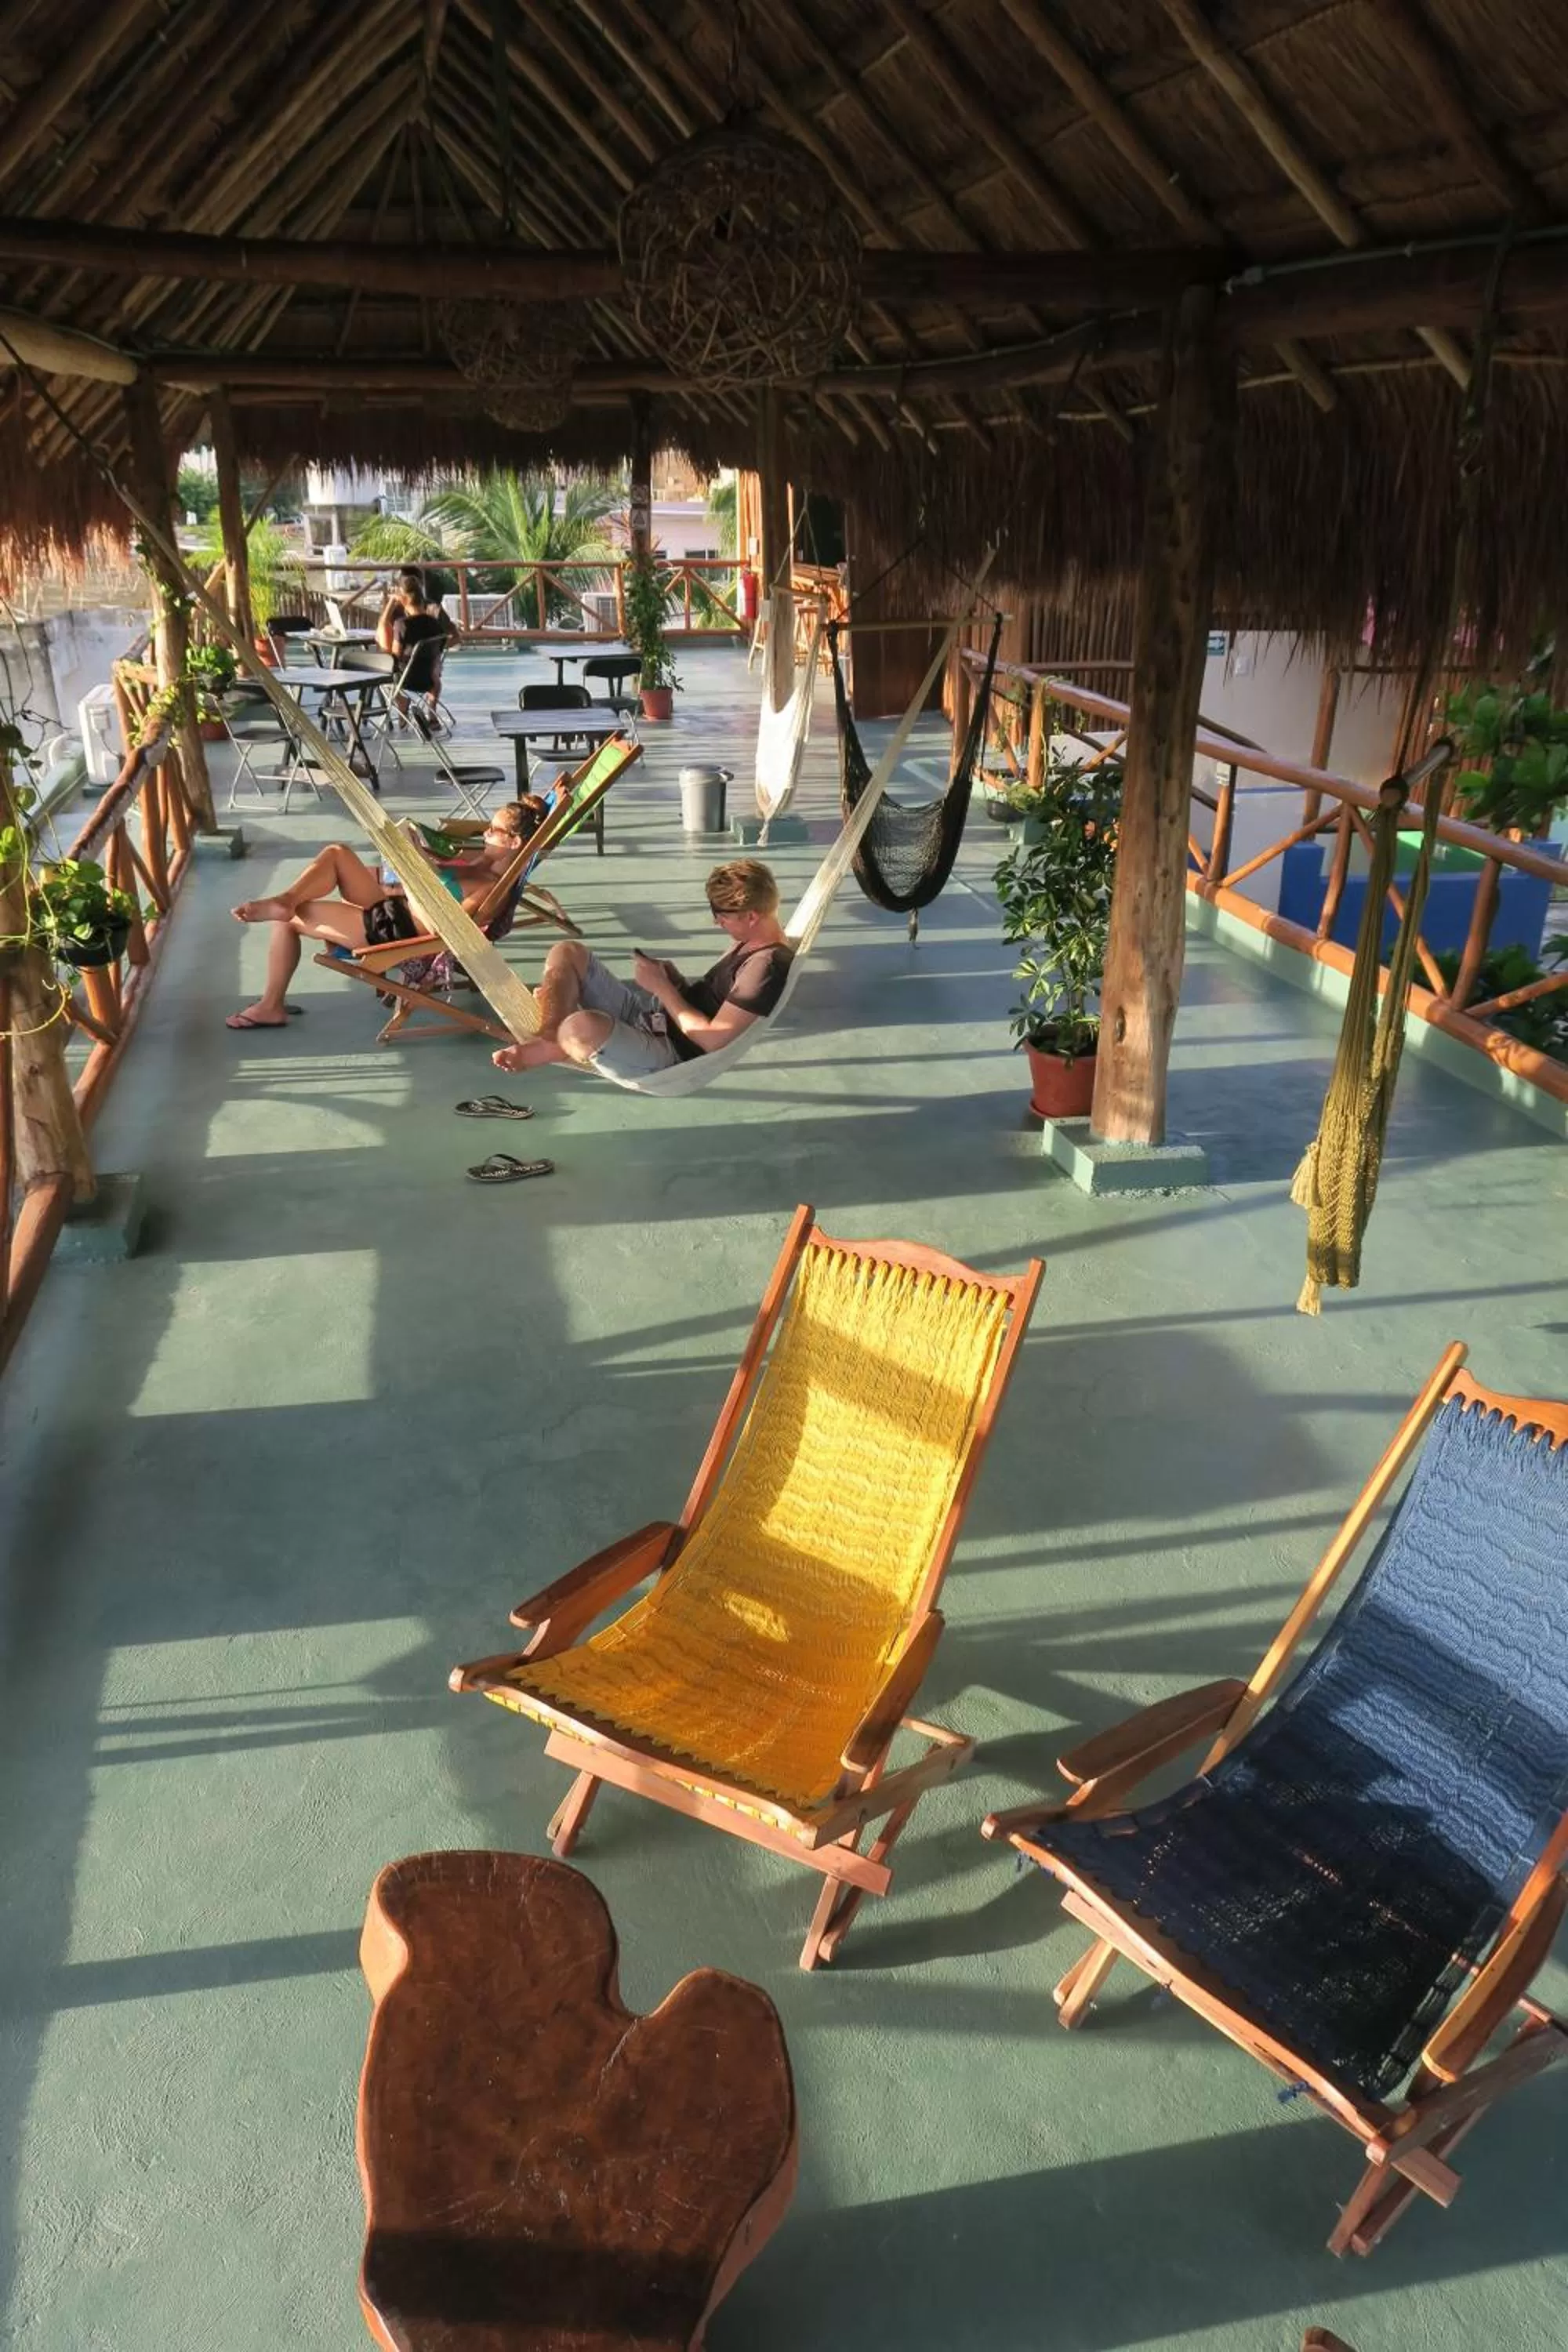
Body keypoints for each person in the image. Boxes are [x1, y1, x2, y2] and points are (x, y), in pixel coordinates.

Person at [227, 800, 546, 1031]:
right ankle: (285, 900)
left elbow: (448, 930)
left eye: (494, 830)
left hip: (396, 929)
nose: (485, 832)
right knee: (337, 853)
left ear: (515, 842)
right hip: (398, 908)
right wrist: (415, 851)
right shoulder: (482, 863)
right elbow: (441, 872)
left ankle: (271, 1006)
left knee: (288, 921)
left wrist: (413, 876)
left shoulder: (491, 889)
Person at [492, 858, 793, 1083]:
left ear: (751, 916)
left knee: (579, 1028)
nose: (717, 921)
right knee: (568, 951)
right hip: (653, 1021)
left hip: (669, 1053)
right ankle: (552, 1036)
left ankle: (562, 1038)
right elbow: (710, 1003)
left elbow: (712, 1039)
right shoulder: (750, 940)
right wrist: (675, 982)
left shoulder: (765, 967)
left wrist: (662, 988)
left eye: (722, 915)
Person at [376, 567, 453, 720]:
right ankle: (431, 713)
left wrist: (390, 604)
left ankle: (402, 701)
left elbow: (394, 658)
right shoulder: (435, 624)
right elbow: (440, 649)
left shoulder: (402, 625)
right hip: (429, 678)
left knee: (377, 667)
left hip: (406, 678)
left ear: (403, 599)